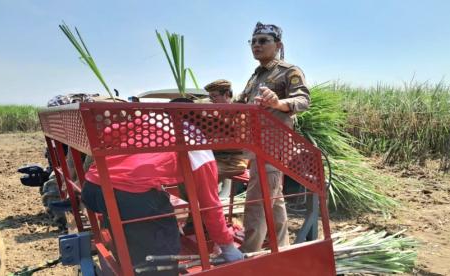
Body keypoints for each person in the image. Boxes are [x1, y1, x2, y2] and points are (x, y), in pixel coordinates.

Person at [81, 119, 243, 275]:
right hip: (126, 195)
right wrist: (228, 247)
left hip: (92, 186)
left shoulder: (153, 119)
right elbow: (210, 206)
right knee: (166, 240)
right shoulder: (200, 150)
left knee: (124, 226)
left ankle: (130, 263)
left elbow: (106, 134)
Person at [235, 22, 311, 252]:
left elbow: (303, 100)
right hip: (254, 143)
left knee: (257, 200)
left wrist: (278, 103)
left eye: (263, 41)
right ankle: (282, 245)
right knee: (272, 197)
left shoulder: (289, 71)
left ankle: (249, 251)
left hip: (273, 144)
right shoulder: (255, 76)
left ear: (277, 45)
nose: (256, 45)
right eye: (253, 41)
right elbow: (242, 103)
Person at [204, 80, 249, 198]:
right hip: (216, 158)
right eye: (210, 97)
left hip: (234, 161)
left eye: (214, 96)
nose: (212, 100)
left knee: (201, 175)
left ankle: (205, 210)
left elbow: (240, 142)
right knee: (187, 174)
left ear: (227, 94)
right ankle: (195, 211)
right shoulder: (216, 113)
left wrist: (213, 142)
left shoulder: (239, 114)